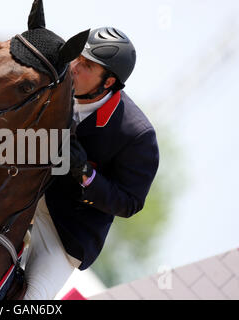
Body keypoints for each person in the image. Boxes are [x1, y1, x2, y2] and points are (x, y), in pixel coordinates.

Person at [23, 27, 160, 300]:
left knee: (31, 300)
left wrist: (85, 174)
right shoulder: (55, 78)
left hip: (62, 232)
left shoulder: (137, 135)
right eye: (77, 58)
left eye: (86, 65)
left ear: (107, 82)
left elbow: (130, 202)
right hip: (20, 197)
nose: (73, 66)